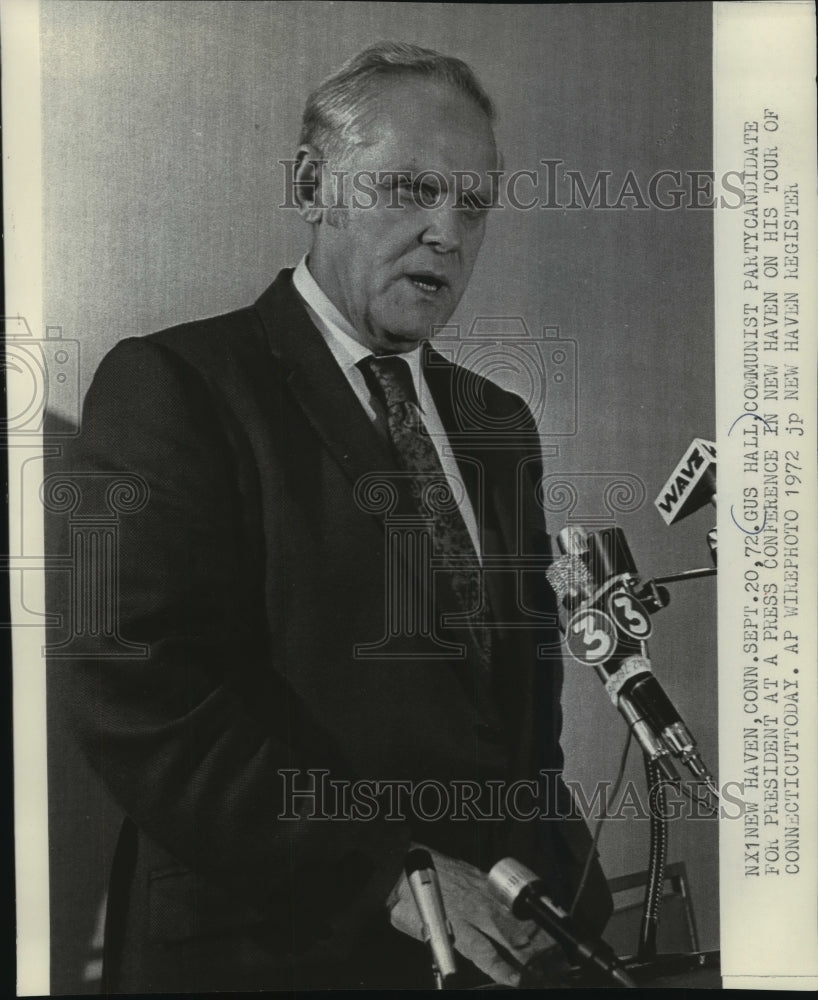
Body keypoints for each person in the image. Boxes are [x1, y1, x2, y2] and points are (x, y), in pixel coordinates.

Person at [52, 42, 612, 991]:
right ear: (314, 185)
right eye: (410, 187)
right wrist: (387, 877)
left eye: (473, 204)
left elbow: (522, 718)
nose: (448, 231)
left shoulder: (497, 426)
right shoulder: (176, 385)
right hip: (266, 952)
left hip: (488, 958)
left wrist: (562, 894)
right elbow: (138, 694)